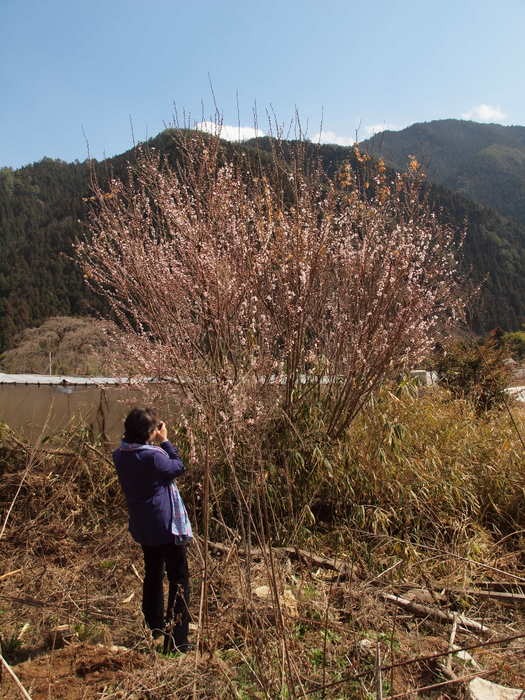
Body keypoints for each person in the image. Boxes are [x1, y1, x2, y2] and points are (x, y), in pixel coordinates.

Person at [113, 407, 192, 653]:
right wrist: (166, 440)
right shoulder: (153, 456)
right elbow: (178, 466)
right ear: (149, 432)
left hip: (144, 525)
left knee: (153, 574)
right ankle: (177, 640)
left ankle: (154, 627)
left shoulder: (121, 454)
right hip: (166, 526)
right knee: (179, 579)